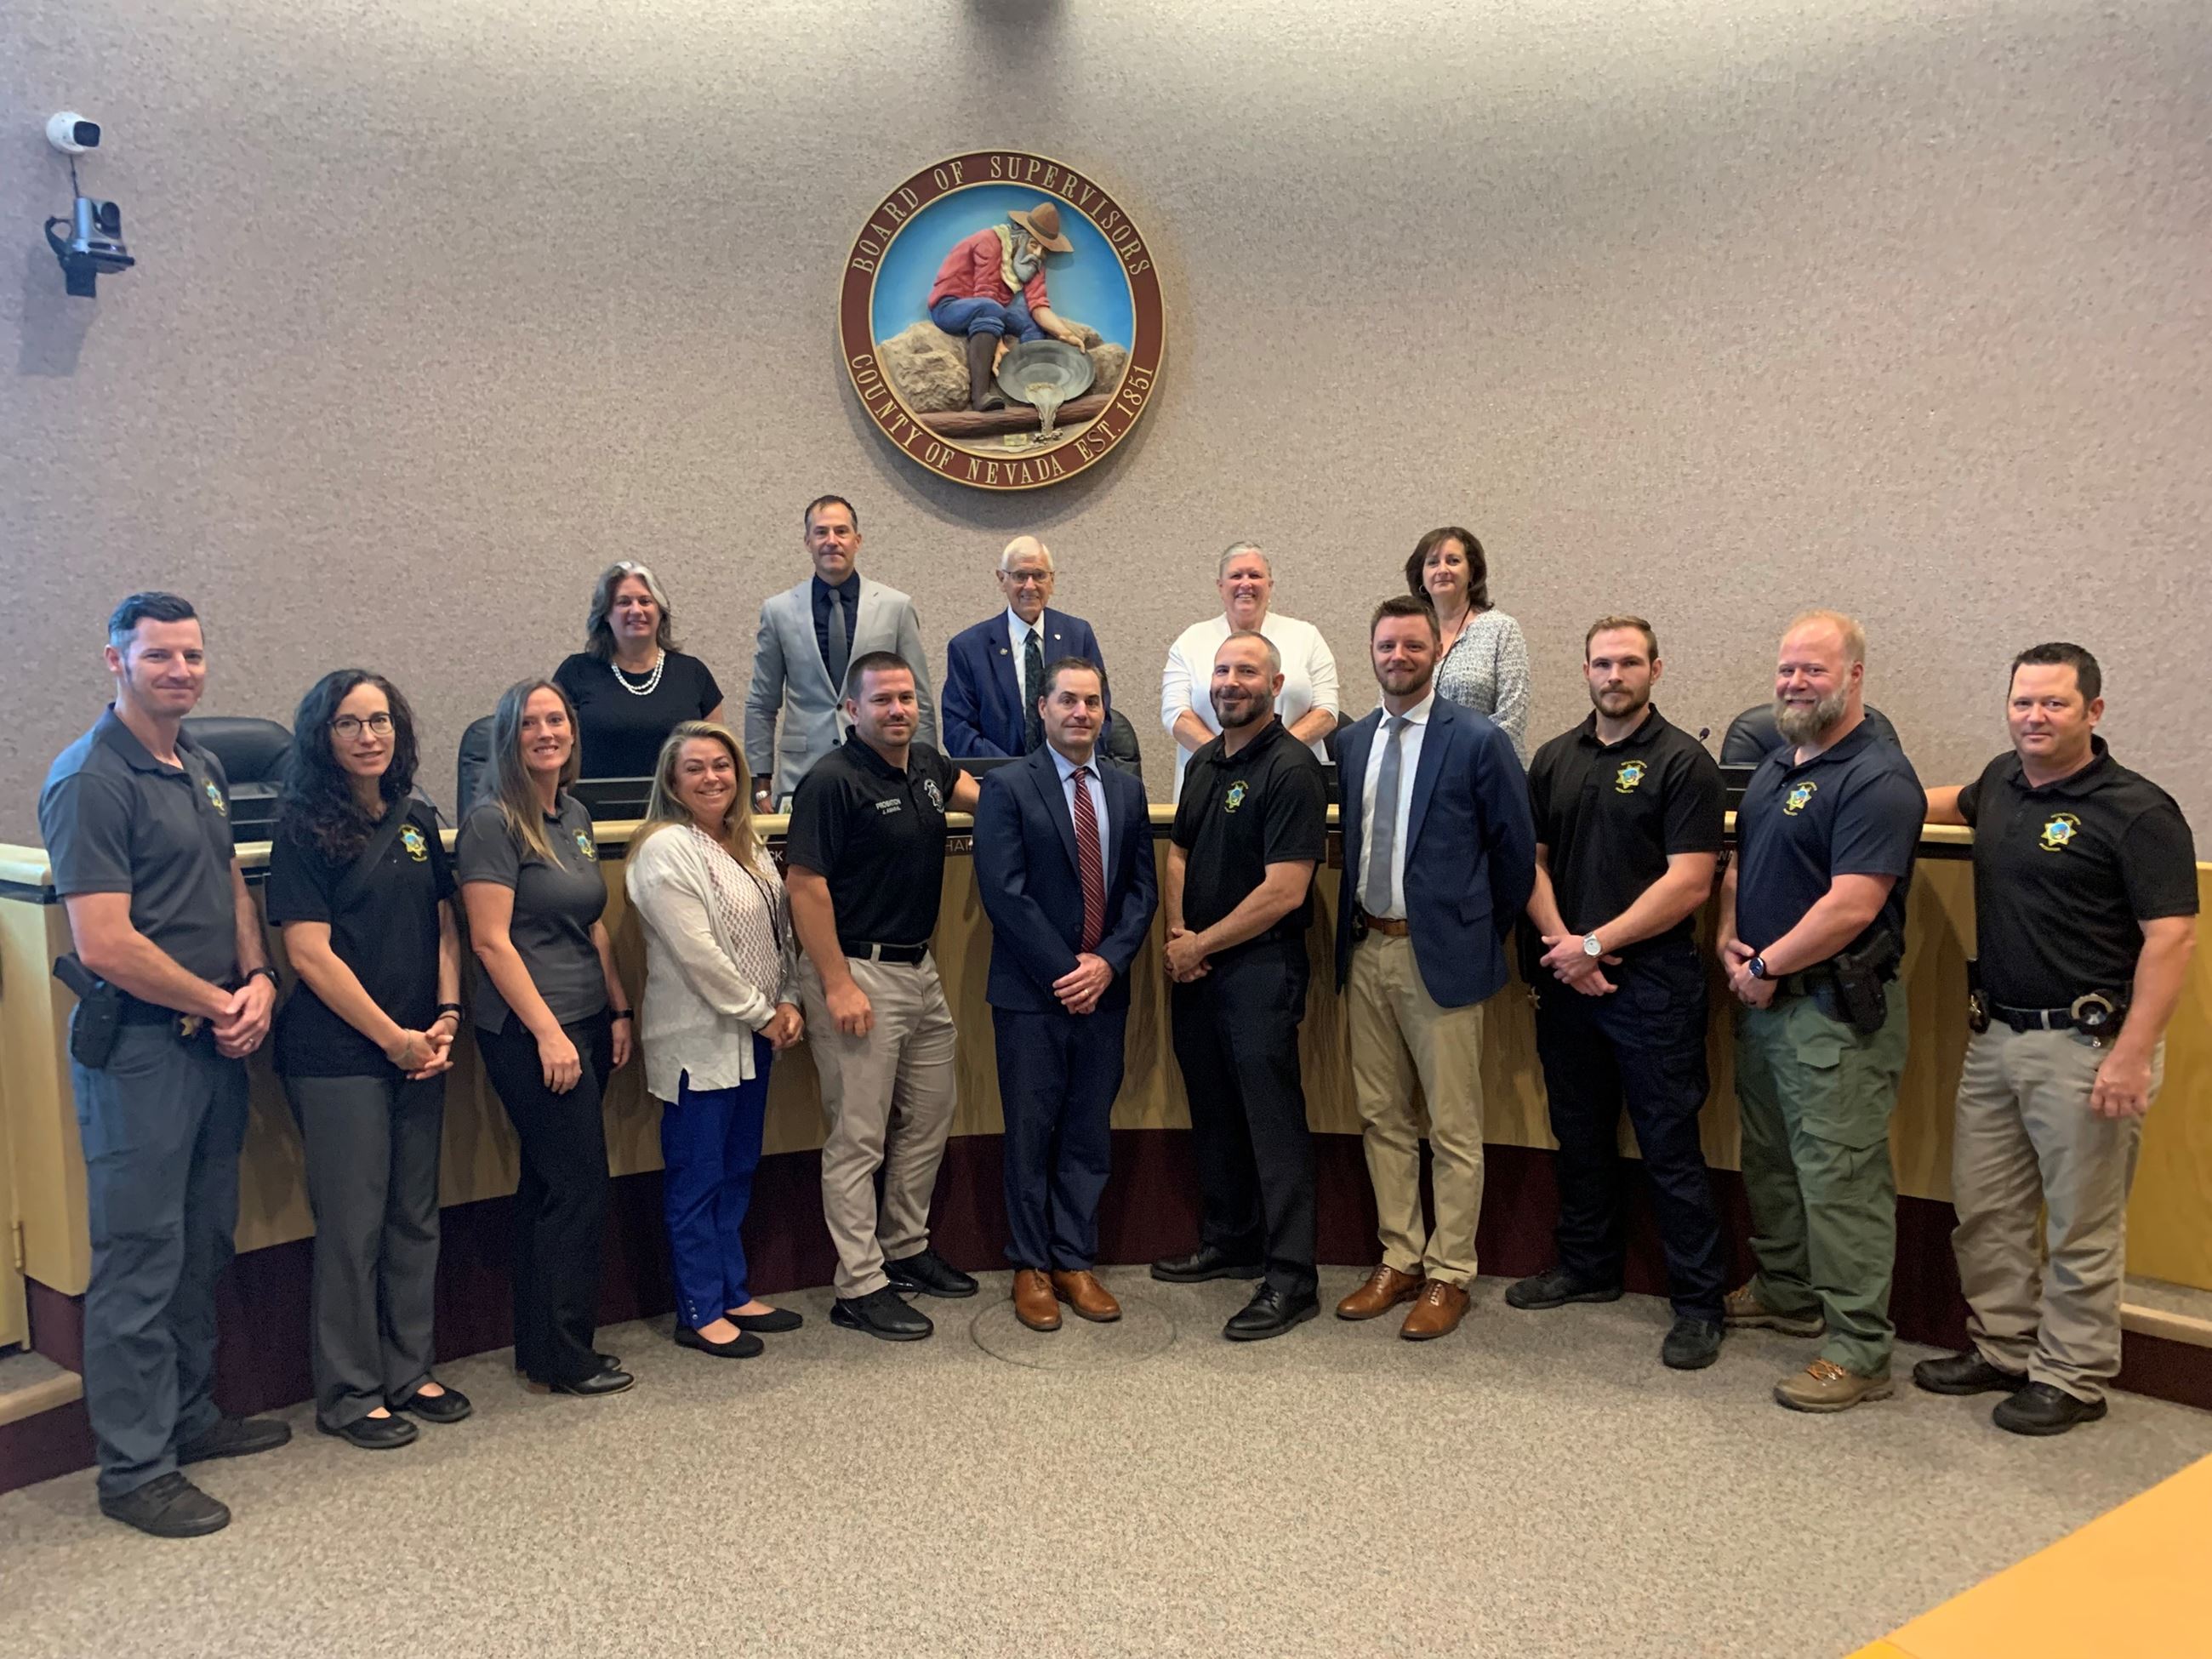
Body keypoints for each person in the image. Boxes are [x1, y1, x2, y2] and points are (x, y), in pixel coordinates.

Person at [38, 592, 291, 1537]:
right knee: (140, 1260)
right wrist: (217, 999)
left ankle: (190, 1418)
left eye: (192, 654)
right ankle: (134, 1470)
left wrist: (257, 973)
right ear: (115, 660)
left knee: (199, 1246)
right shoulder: (88, 780)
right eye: (159, 657)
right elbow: (103, 941)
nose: (181, 671)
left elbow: (227, 876)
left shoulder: (204, 765)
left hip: (214, 1046)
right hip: (141, 1055)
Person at [1917, 643, 2197, 1434]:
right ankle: (2004, 1349)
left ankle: (2072, 1375)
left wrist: (2134, 1053)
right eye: (2022, 703)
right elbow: (1938, 802)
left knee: (2081, 1220)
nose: (2034, 718)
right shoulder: (2002, 782)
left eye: (2054, 705)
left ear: (2094, 713)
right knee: (1987, 1211)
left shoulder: (2138, 811)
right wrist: (1852, 791)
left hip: (2090, 1047)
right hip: (1997, 1036)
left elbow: (2172, 940)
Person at [1717, 611, 1924, 1413]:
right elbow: (1742, 863)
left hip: (1833, 1013)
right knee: (1771, 1162)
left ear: (1855, 677)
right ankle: (1787, 1290)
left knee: (1840, 1178)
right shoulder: (1777, 764)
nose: (1795, 683)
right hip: (1764, 1002)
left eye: (1813, 670)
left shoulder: (1877, 777)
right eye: (1787, 669)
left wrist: (1769, 963)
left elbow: (1852, 905)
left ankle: (1861, 1348)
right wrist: (1734, 938)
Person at [1509, 617, 1730, 1369]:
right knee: (1580, 1133)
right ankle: (1588, 1266)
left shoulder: (1684, 762)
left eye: (1629, 662)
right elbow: (1530, 864)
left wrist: (1596, 945)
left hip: (1653, 985)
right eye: (1602, 662)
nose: (1614, 674)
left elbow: (1691, 881)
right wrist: (1565, 948)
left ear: (1656, 670)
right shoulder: (1553, 758)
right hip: (1567, 978)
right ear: (1585, 671)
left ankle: (1699, 1303)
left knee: (1670, 1146)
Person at [266, 670, 470, 1451]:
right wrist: (394, 1037)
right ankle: (350, 1393)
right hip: (340, 1056)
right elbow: (307, 953)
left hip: (424, 1046)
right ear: (324, 736)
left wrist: (446, 1016)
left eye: (380, 720)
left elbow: (447, 926)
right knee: (352, 1227)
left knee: (413, 1216)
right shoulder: (301, 827)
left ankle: (409, 1369)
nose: (368, 736)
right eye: (349, 724)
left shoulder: (417, 818)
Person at [1333, 597, 1535, 1341]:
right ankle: (1399, 1257)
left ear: (1434, 655)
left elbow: (1514, 855)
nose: (1398, 656)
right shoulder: (1353, 742)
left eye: (1412, 645)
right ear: (1372, 652)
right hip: (1367, 950)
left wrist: (1474, 931)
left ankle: (1451, 1272)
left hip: (1440, 955)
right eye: (1386, 645)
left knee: (1453, 1125)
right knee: (1382, 1115)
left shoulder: (1477, 740)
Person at [784, 652, 981, 1340]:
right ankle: (858, 1284)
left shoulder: (926, 765)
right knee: (858, 1137)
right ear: (851, 711)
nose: (897, 710)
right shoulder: (831, 782)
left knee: (930, 1116)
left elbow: (990, 801)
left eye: (905, 698)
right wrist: (836, 983)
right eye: (881, 701)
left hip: (919, 971)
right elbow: (804, 886)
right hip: (856, 973)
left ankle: (906, 1247)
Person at [458, 679, 636, 1396]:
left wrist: (618, 1008)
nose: (545, 732)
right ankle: (567, 1354)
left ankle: (540, 1346)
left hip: (587, 1019)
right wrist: (549, 1035)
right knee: (578, 1187)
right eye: (529, 722)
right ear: (508, 736)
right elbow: (490, 942)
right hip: (531, 1032)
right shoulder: (492, 822)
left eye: (556, 719)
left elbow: (590, 921)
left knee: (546, 1186)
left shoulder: (575, 814)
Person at [1152, 633, 1330, 1341]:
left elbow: (1285, 891)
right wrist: (1176, 937)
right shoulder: (1203, 762)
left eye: (1246, 671)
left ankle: (1291, 1276)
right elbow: (1180, 852)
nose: (1231, 682)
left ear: (1276, 683)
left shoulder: (1293, 769)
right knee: (1216, 1109)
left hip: (1261, 969)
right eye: (1222, 671)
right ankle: (1230, 1240)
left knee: (1272, 1122)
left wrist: (1202, 942)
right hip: (1195, 967)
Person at [972, 658, 1159, 1331]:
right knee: (1031, 1130)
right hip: (1031, 994)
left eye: (1093, 702)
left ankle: (1074, 1258)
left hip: (1103, 993)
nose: (1082, 712)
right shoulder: (1008, 787)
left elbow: (1142, 892)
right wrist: (1068, 972)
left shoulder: (1127, 790)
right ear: (1043, 709)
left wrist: (1106, 965)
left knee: (1086, 1129)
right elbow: (1004, 893)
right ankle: (1029, 1264)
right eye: (1068, 701)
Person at [625, 721, 806, 1360]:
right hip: (698, 1044)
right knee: (697, 1176)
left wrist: (787, 1000)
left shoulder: (748, 846)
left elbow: (783, 934)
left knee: (735, 1169)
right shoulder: (664, 849)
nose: (712, 778)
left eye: (722, 766)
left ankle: (731, 1289)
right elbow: (697, 954)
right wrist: (762, 1013)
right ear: (672, 781)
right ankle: (698, 1308)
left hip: (754, 1036)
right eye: (696, 767)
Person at [745, 496, 938, 810]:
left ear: (857, 540)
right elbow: (761, 703)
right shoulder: (779, 611)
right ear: (807, 541)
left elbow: (920, 699)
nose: (831, 541)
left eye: (841, 531)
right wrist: (760, 779)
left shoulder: (896, 607)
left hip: (880, 770)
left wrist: (927, 774)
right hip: (801, 774)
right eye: (821, 532)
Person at [1160, 543, 1338, 801]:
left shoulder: (1306, 636)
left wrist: (1271, 758)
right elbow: (1176, 716)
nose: (1246, 584)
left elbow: (1327, 711)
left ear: (1270, 585)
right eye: (1236, 576)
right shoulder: (1190, 641)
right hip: (1211, 782)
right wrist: (1226, 760)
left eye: (1255, 575)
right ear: (1220, 587)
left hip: (1291, 781)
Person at [552, 561, 725, 779]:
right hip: (594, 808)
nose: (636, 611)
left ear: (660, 611)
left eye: (645, 601)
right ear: (605, 613)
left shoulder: (693, 673)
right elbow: (555, 749)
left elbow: (718, 754)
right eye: (624, 602)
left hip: (679, 808)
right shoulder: (575, 672)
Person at [941, 535, 1108, 758]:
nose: (1030, 586)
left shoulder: (1078, 635)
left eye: (1039, 575)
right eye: (1020, 576)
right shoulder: (968, 648)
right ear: (1002, 580)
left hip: (1070, 778)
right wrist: (1018, 778)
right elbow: (958, 731)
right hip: (998, 780)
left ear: (1052, 581)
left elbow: (1099, 712)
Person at [926, 200, 1089, 411]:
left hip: (992, 309)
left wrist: (1066, 334)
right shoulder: (989, 242)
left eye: (1043, 249)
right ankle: (980, 396)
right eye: (1033, 244)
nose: (1038, 254)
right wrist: (998, 344)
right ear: (1018, 236)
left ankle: (1031, 389)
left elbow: (1039, 306)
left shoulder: (1033, 262)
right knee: (990, 308)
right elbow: (986, 293)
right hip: (950, 307)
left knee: (1030, 322)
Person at [1406, 526, 1531, 762]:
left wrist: (1460, 761)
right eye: (1433, 563)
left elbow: (1512, 716)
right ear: (1421, 575)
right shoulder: (1410, 635)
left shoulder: (1501, 629)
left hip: (1487, 770)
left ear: (1472, 571)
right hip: (1418, 770)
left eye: (1453, 561)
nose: (1442, 570)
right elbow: (1389, 704)